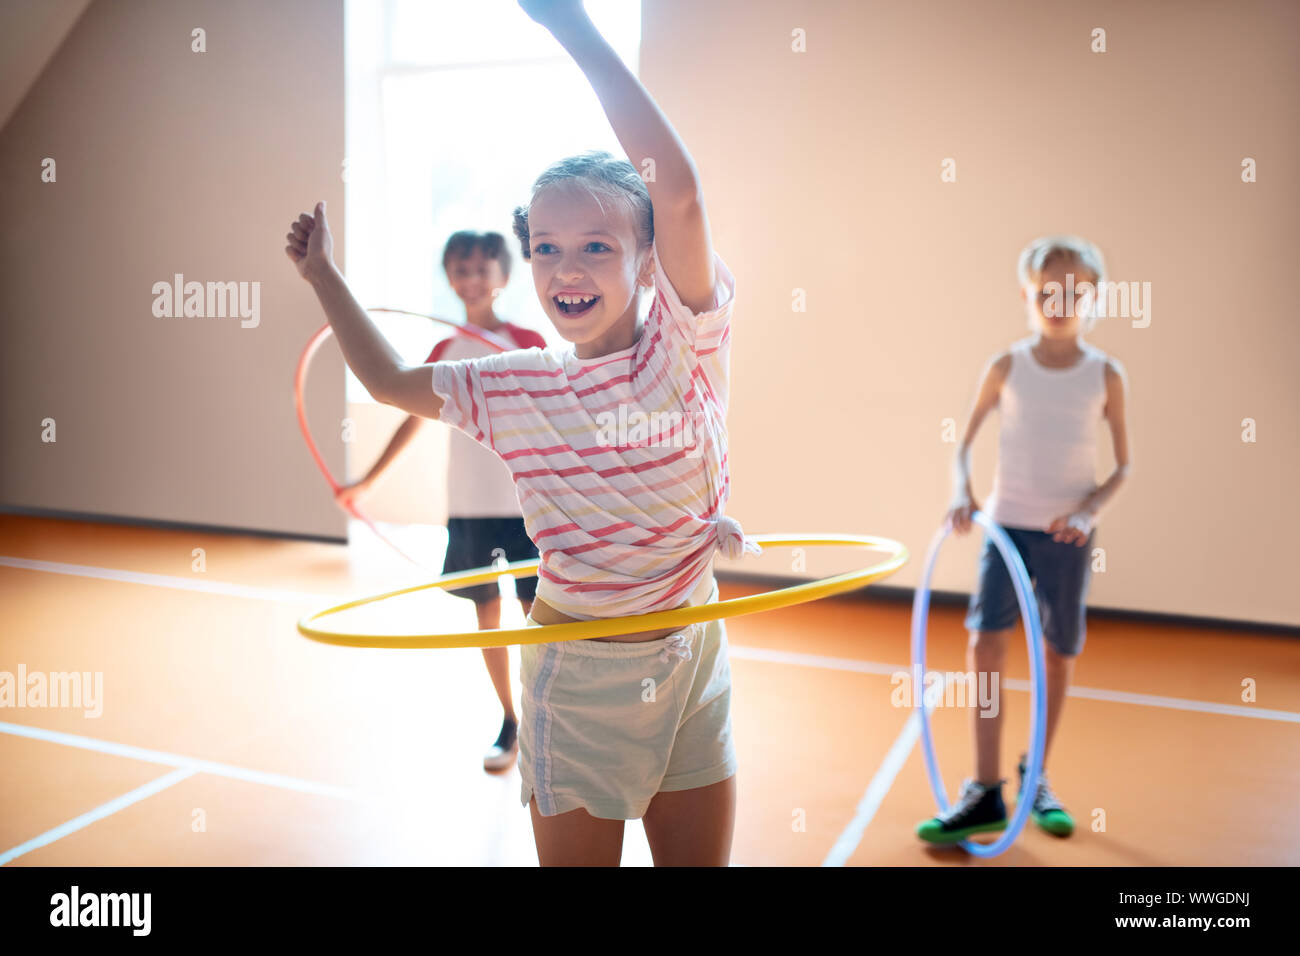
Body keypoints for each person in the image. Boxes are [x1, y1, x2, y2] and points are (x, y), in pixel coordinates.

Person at [284, 0, 754, 866]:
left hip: (694, 657)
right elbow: (387, 380)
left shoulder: (687, 344)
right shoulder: (513, 386)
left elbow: (679, 193)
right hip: (577, 679)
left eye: (596, 247)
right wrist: (323, 276)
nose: (565, 271)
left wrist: (571, 27)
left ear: (646, 259)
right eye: (545, 249)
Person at [916, 235, 1132, 844]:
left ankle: (1036, 774)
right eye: (1046, 291)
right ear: (1027, 295)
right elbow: (962, 444)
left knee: (1057, 653)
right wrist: (963, 492)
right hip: (1005, 527)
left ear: (1093, 297)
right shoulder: (1007, 366)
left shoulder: (1105, 375)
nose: (1059, 301)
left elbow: (1123, 467)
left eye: (1073, 291)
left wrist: (1089, 512)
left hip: (1065, 538)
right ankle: (985, 790)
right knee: (986, 646)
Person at [337, 231, 546, 772]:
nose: (472, 279)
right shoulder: (445, 351)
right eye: (462, 269)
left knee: (539, 617)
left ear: (503, 276)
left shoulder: (526, 342)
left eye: (483, 269)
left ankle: (547, 716)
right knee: (488, 615)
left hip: (526, 506)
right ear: (450, 277)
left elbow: (556, 412)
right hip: (471, 507)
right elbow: (410, 415)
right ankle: (511, 720)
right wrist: (366, 483)